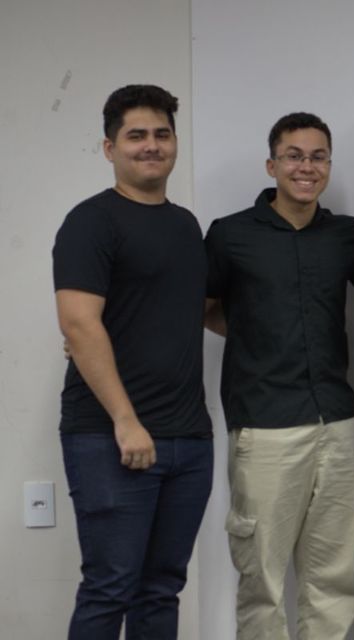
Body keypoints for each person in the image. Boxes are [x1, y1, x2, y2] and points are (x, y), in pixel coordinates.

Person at [52, 84, 213, 640]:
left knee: (161, 588)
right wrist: (126, 421)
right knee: (110, 587)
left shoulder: (186, 225)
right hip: (110, 439)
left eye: (162, 134)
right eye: (136, 135)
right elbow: (79, 324)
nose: (151, 145)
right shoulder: (91, 222)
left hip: (188, 439)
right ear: (109, 148)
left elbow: (194, 312)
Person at [204, 112, 354, 640]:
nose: (306, 167)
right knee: (263, 582)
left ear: (329, 165)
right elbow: (201, 308)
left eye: (318, 157)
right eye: (294, 156)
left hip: (338, 424)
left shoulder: (347, 236)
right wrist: (257, 331)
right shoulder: (230, 235)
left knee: (334, 580)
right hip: (265, 426)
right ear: (271, 164)